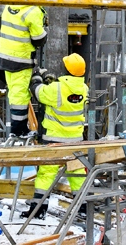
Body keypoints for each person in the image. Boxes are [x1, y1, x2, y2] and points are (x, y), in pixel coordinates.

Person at [21, 53, 90, 219]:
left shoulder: (56, 89)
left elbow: (38, 92)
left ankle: (38, 209)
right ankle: (84, 206)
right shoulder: (85, 89)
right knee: (77, 173)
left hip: (54, 140)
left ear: (67, 69)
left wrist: (37, 77)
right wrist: (48, 77)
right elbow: (65, 94)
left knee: (46, 174)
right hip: (75, 141)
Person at [0, 5, 48, 137]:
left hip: (5, 58)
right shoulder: (33, 11)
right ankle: (19, 130)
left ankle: (17, 127)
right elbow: (39, 39)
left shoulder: (8, 7)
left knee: (14, 92)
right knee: (20, 95)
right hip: (21, 60)